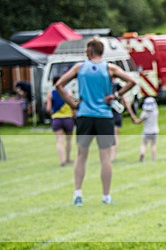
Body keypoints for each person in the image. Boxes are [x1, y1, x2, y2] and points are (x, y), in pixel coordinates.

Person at [55, 37, 140, 206]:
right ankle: (106, 196)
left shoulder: (80, 67)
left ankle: (78, 194)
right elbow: (132, 81)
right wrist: (115, 96)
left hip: (85, 115)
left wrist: (72, 103)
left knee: (81, 156)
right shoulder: (110, 68)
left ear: (90, 51)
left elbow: (59, 84)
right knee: (105, 157)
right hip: (104, 116)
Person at [44, 76, 75, 166]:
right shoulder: (68, 93)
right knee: (68, 140)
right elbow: (72, 106)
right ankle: (68, 158)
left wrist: (53, 115)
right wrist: (74, 115)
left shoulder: (51, 94)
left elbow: (48, 109)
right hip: (68, 118)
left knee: (59, 141)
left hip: (57, 119)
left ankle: (62, 161)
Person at [138, 97, 159, 161]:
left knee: (144, 144)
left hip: (146, 131)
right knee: (153, 144)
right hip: (154, 130)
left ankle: (142, 154)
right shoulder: (155, 112)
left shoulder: (144, 113)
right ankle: (153, 157)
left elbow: (140, 121)